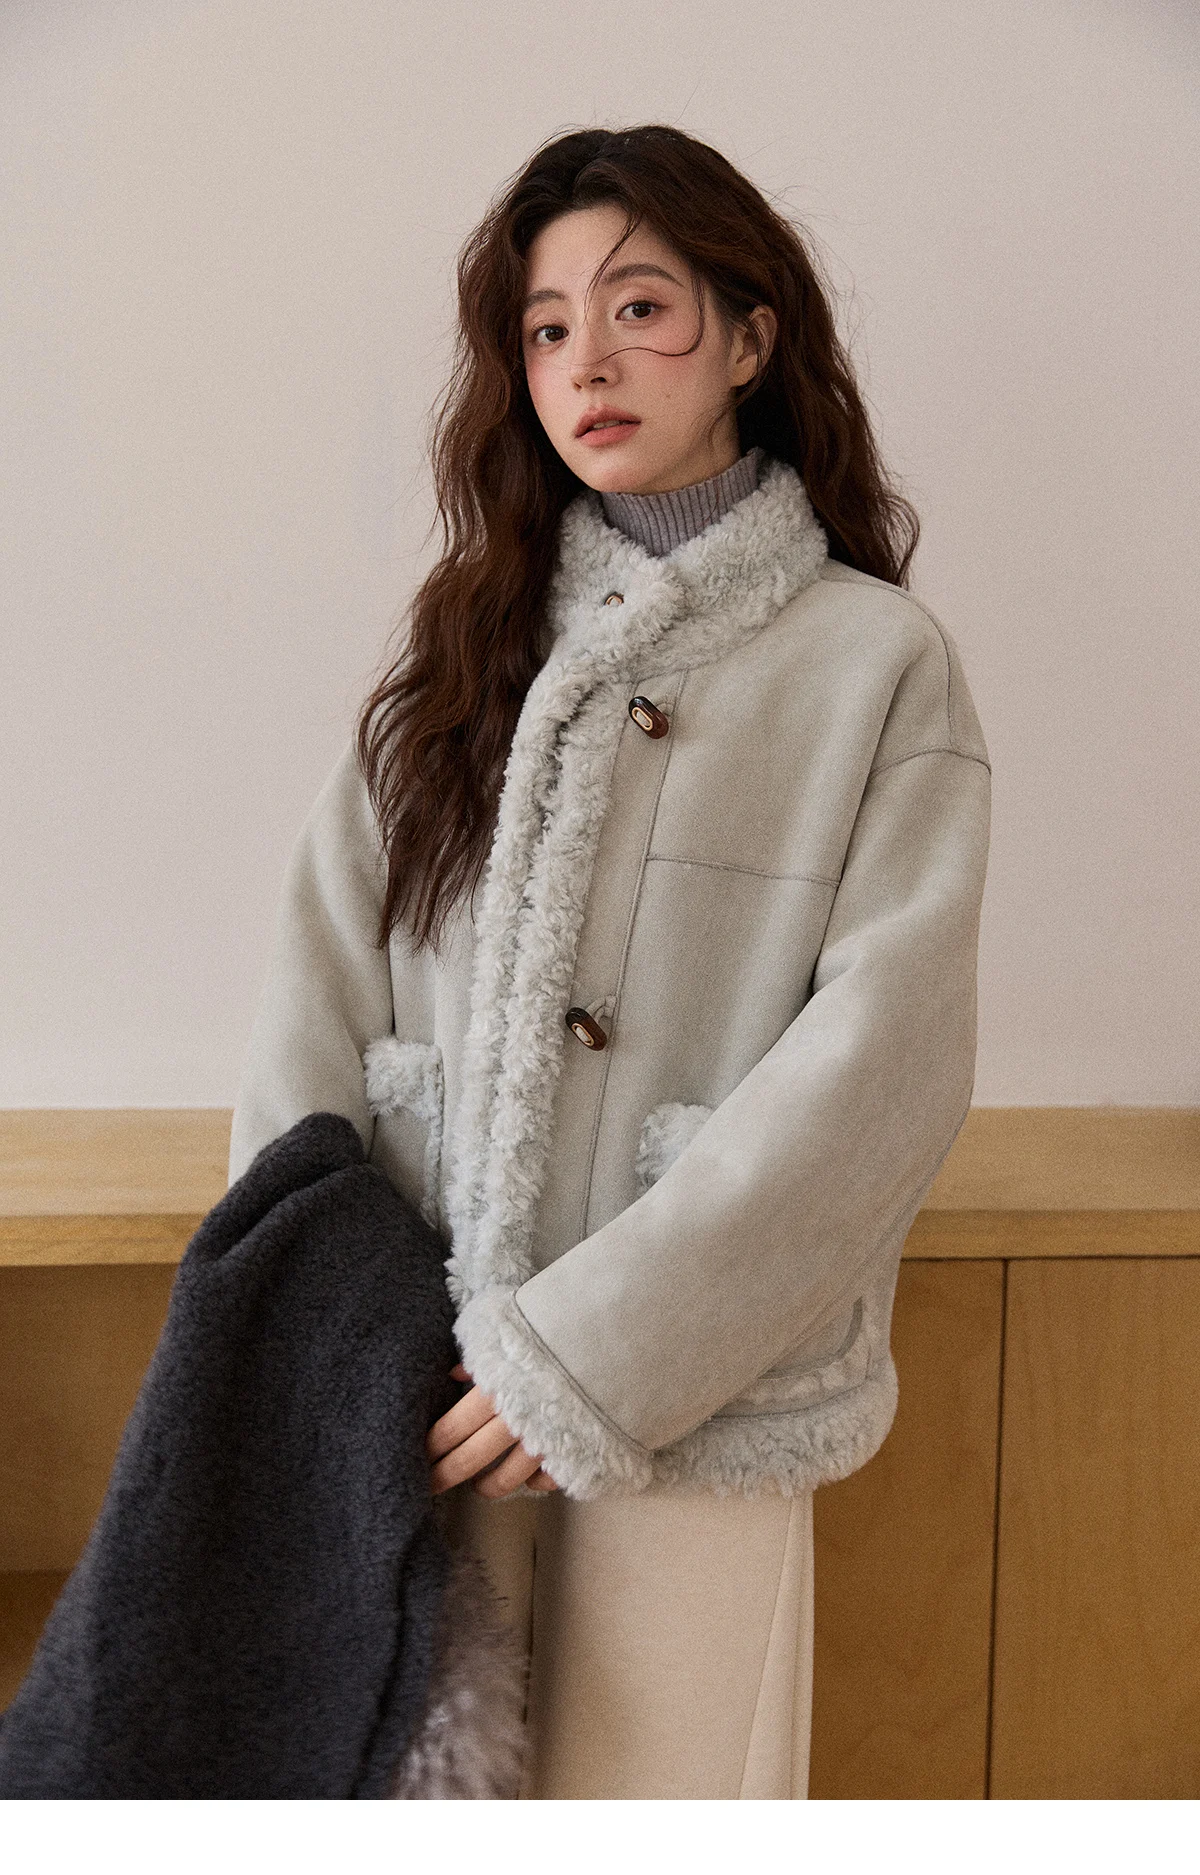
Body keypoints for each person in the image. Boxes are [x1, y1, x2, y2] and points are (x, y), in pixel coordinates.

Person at [229, 123, 991, 1800]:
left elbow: (886, 1062)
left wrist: (595, 1353)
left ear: (750, 336)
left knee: (668, 1802)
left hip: (701, 1390)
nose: (588, 360)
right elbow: (313, 995)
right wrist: (323, 1329)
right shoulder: (465, 644)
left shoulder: (875, 665)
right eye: (548, 326)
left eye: (641, 308)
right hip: (423, 1383)